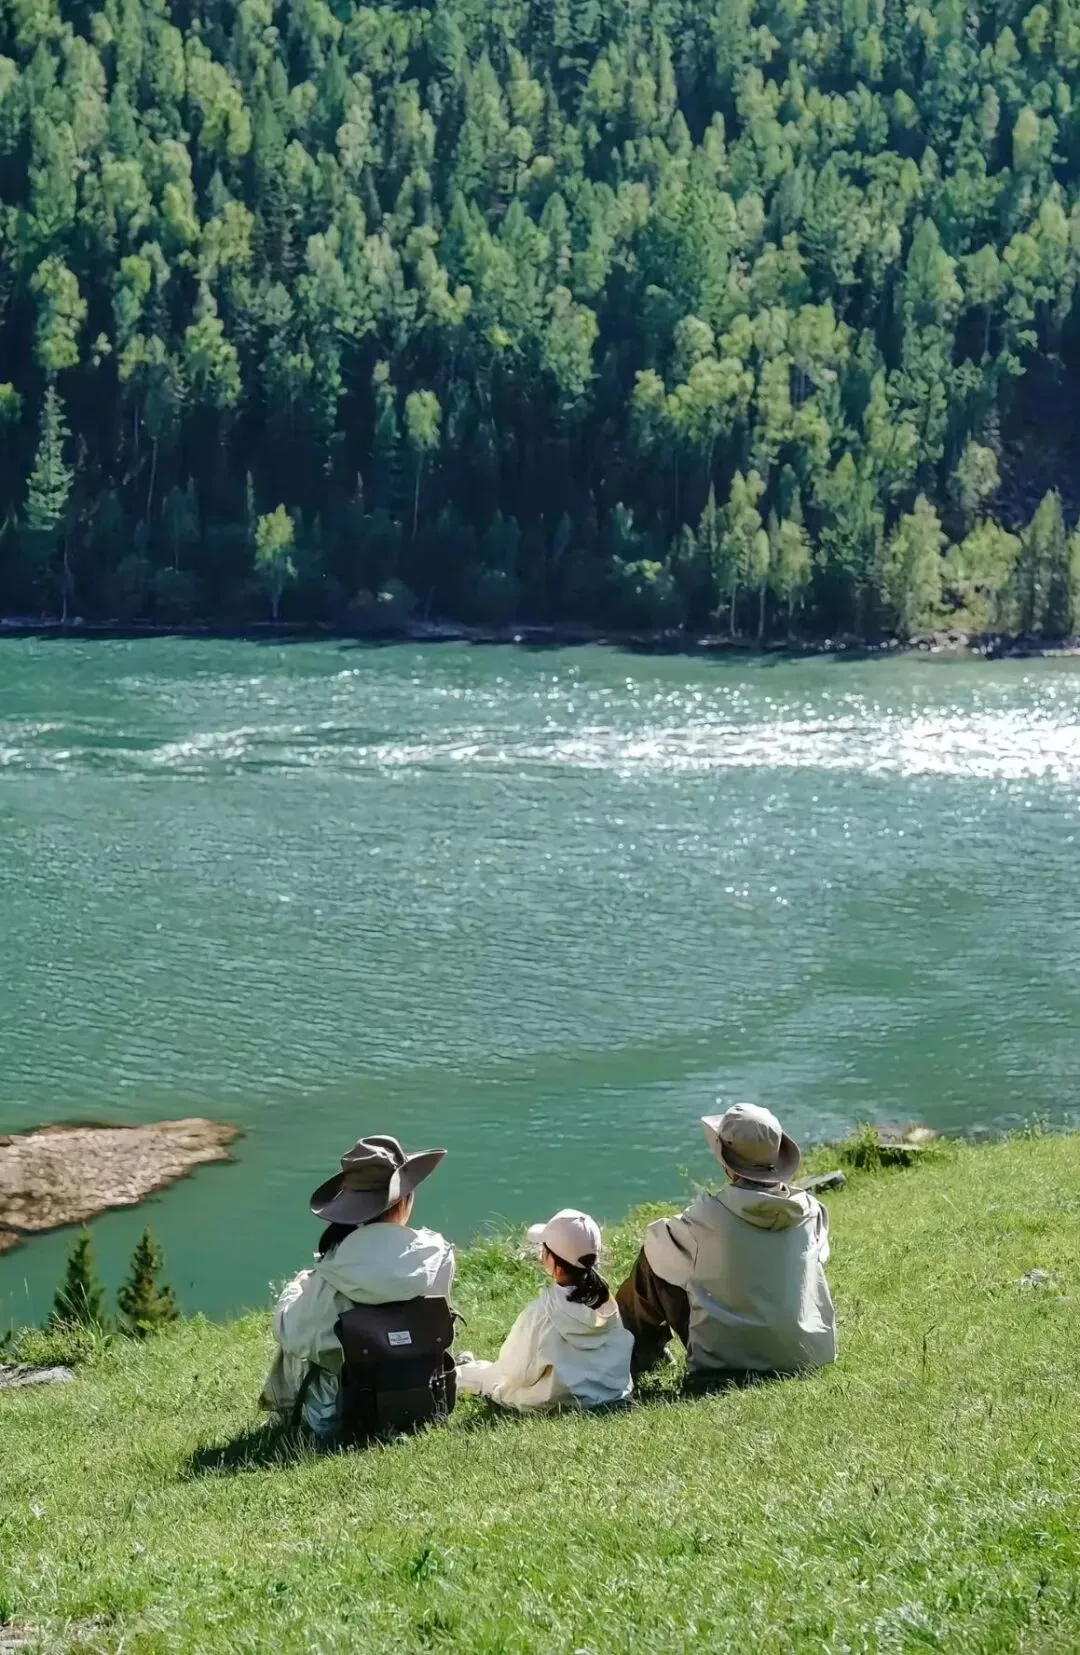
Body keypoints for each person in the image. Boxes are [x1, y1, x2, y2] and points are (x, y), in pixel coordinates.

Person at [616, 1103, 836, 1382]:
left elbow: (655, 1245)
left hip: (729, 1362)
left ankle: (635, 1355)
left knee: (655, 1259)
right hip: (807, 1354)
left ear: (727, 1164)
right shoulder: (812, 1211)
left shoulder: (706, 1218)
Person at [261, 1134, 454, 1437]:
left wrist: (295, 1290)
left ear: (350, 1207)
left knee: (296, 1346)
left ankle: (280, 1418)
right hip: (428, 1396)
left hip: (344, 1415)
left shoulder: (333, 1270)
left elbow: (293, 1335)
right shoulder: (438, 1254)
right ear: (406, 1199)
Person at [456, 1209, 633, 1411]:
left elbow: (515, 1373)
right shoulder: (607, 1304)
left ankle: (460, 1370)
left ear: (554, 1261)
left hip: (552, 1399)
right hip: (608, 1394)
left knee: (484, 1377)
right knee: (487, 1372)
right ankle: (467, 1365)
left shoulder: (542, 1312)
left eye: (544, 1248)